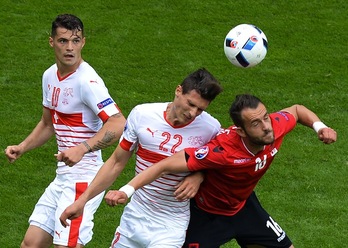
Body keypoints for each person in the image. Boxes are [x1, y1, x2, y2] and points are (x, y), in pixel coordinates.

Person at [101, 94, 337, 248]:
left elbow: (296, 109)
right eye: (256, 123)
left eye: (265, 118)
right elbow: (164, 165)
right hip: (207, 215)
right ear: (241, 131)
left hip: (244, 208)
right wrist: (127, 190)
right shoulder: (222, 150)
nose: (267, 127)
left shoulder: (274, 127)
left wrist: (320, 127)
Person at [59, 68, 223, 247]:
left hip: (171, 225)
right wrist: (82, 201)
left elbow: (222, 165)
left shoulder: (211, 129)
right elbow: (116, 162)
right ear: (178, 91)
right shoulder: (143, 115)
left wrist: (200, 176)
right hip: (134, 218)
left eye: (200, 109)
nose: (193, 113)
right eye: (190, 104)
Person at [4, 14, 126, 248]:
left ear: (83, 42)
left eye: (76, 40)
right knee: (31, 244)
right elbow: (48, 124)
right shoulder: (50, 76)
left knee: (66, 246)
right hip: (63, 177)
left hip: (84, 178)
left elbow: (118, 123)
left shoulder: (87, 82)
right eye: (63, 41)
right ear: (52, 42)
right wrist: (22, 147)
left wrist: (83, 148)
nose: (70, 47)